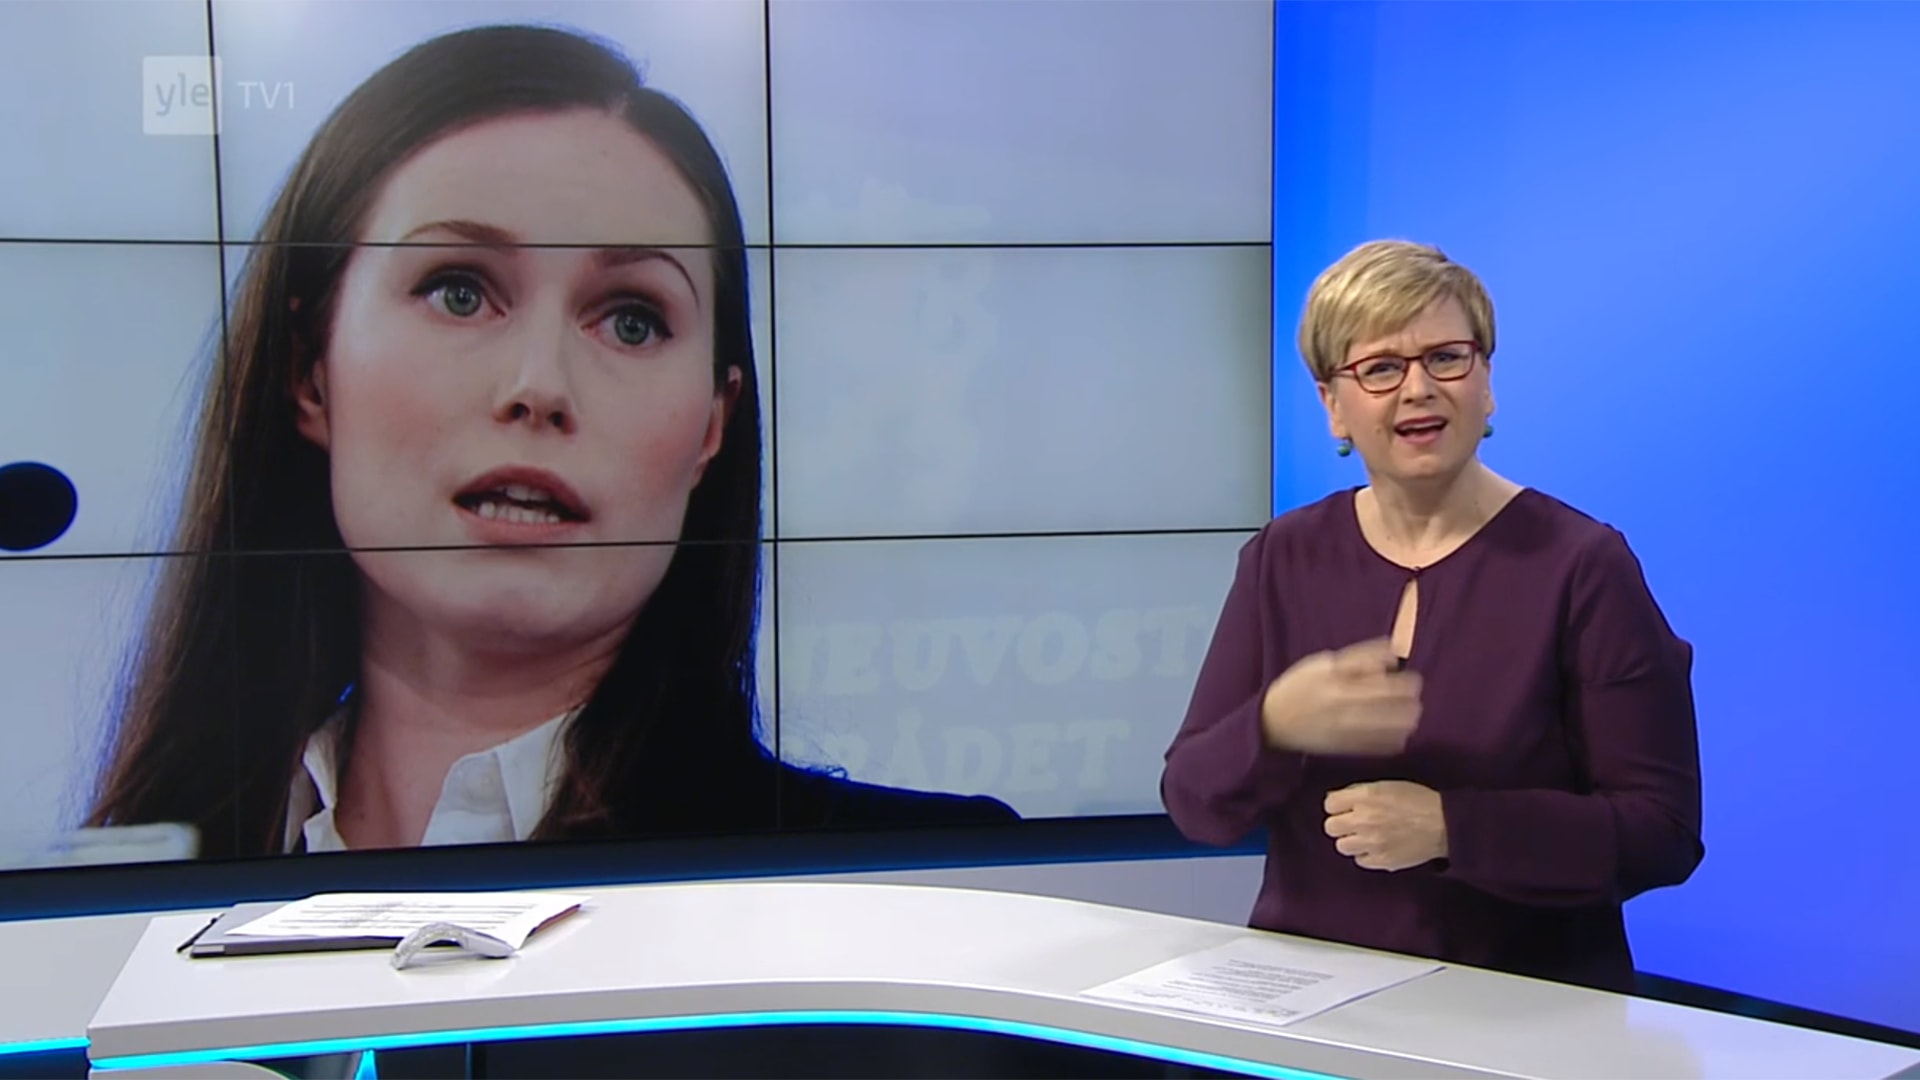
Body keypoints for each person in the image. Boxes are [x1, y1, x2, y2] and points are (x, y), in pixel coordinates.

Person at [86, 24, 1016, 858]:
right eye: (459, 292)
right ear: (309, 372)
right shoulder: (105, 905)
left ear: (712, 425)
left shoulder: (923, 888)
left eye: (632, 321)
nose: (540, 387)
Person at [1160, 239, 1703, 993]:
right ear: (1333, 406)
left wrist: (1453, 827)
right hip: (1314, 1007)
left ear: (1486, 385)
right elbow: (1195, 804)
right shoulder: (1283, 557)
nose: (1418, 389)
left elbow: (1661, 834)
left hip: (1527, 1008)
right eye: (1381, 368)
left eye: (1446, 358)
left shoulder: (1582, 565)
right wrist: (1273, 724)